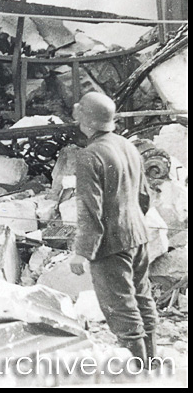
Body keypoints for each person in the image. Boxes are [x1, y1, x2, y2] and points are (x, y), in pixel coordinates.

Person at [69, 92, 158, 368]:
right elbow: (144, 197)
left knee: (121, 309)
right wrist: (130, 224)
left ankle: (139, 373)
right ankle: (153, 362)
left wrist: (81, 253)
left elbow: (89, 212)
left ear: (87, 121)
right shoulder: (127, 145)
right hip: (138, 236)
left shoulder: (88, 156)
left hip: (111, 245)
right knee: (142, 298)